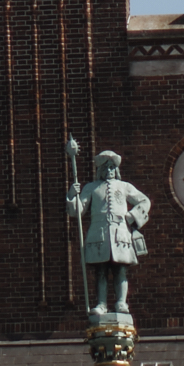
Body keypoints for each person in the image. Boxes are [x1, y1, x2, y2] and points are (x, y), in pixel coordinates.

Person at [64, 136, 153, 327]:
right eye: (106, 167)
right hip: (99, 233)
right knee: (101, 271)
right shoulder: (91, 187)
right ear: (101, 169)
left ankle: (121, 302)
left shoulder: (124, 186)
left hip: (120, 232)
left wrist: (131, 216)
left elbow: (145, 201)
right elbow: (78, 211)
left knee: (120, 269)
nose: (110, 171)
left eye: (113, 167)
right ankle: (102, 304)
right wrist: (72, 195)